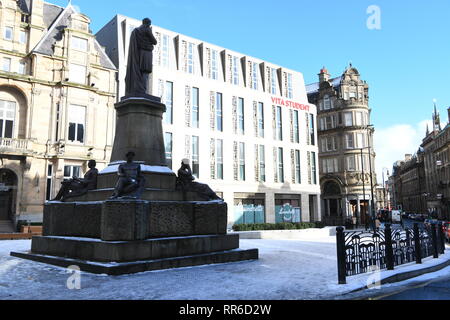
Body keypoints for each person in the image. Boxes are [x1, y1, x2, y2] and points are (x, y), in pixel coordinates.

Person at [124, 17, 157, 97]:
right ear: (148, 23)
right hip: (146, 53)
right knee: (145, 72)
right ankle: (142, 90)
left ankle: (138, 89)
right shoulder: (147, 29)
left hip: (138, 54)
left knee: (139, 71)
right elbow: (154, 41)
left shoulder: (136, 31)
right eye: (149, 24)